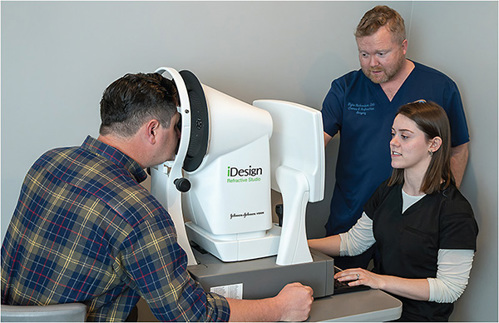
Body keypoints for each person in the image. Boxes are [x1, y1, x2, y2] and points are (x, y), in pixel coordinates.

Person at [1, 73, 314, 322]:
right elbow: (193, 316)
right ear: (152, 131)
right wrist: (280, 307)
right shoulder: (137, 213)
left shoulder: (49, 161)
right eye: (177, 127)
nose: (180, 138)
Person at [321, 5, 470, 269]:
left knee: (400, 302)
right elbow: (314, 145)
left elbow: (457, 148)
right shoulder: (345, 88)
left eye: (381, 53)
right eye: (364, 54)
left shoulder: (440, 87)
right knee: (339, 298)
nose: (372, 63)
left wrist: (441, 205)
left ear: (403, 46)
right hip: (351, 216)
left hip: (411, 224)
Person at [309, 101, 478, 321]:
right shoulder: (388, 190)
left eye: (405, 136)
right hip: (380, 305)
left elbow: (449, 288)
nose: (393, 143)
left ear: (434, 144)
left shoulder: (455, 212)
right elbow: (354, 242)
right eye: (393, 134)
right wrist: (298, 244)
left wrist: (379, 280)